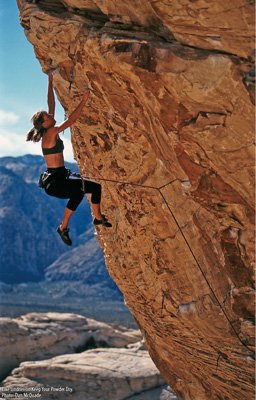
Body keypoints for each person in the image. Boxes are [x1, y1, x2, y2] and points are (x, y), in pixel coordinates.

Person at [26, 72, 112, 246]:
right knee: (79, 191)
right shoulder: (50, 133)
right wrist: (84, 99)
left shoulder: (48, 129)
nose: (51, 116)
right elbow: (72, 120)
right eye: (47, 117)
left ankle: (98, 218)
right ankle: (63, 227)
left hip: (59, 178)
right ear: (44, 124)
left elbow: (51, 105)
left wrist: (50, 83)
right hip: (56, 182)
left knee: (95, 187)